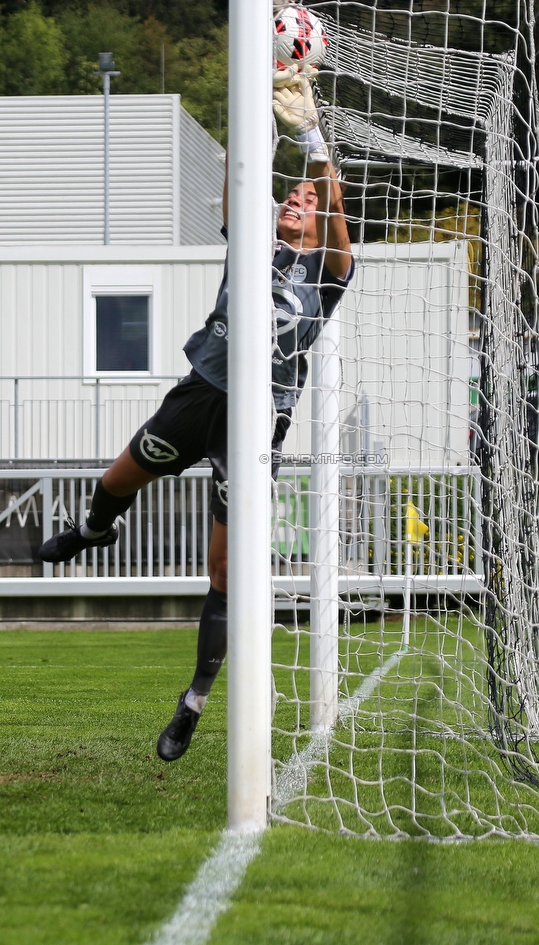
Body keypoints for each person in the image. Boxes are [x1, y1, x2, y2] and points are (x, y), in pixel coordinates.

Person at [38, 69, 353, 762]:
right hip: (198, 395)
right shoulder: (252, 247)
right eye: (291, 195)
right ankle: (93, 533)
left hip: (252, 425)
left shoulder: (325, 279)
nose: (297, 200)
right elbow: (242, 194)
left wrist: (315, 145)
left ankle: (192, 704)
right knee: (117, 479)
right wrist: (262, 132)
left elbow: (338, 233)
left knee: (223, 575)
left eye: (307, 198)